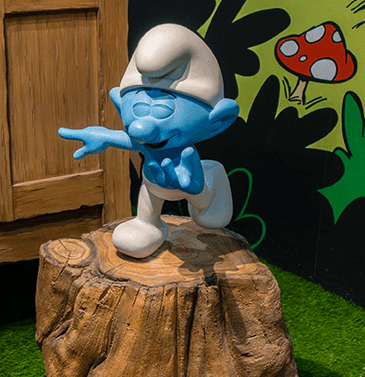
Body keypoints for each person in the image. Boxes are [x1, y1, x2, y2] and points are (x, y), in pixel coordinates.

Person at [59, 24, 239, 258]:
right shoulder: (143, 139)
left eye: (163, 110)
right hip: (152, 185)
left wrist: (195, 191)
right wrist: (103, 136)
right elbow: (130, 140)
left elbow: (193, 189)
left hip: (188, 186)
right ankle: (147, 223)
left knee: (206, 213)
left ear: (218, 121)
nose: (141, 128)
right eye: (139, 108)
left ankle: (209, 182)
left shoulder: (186, 156)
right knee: (143, 212)